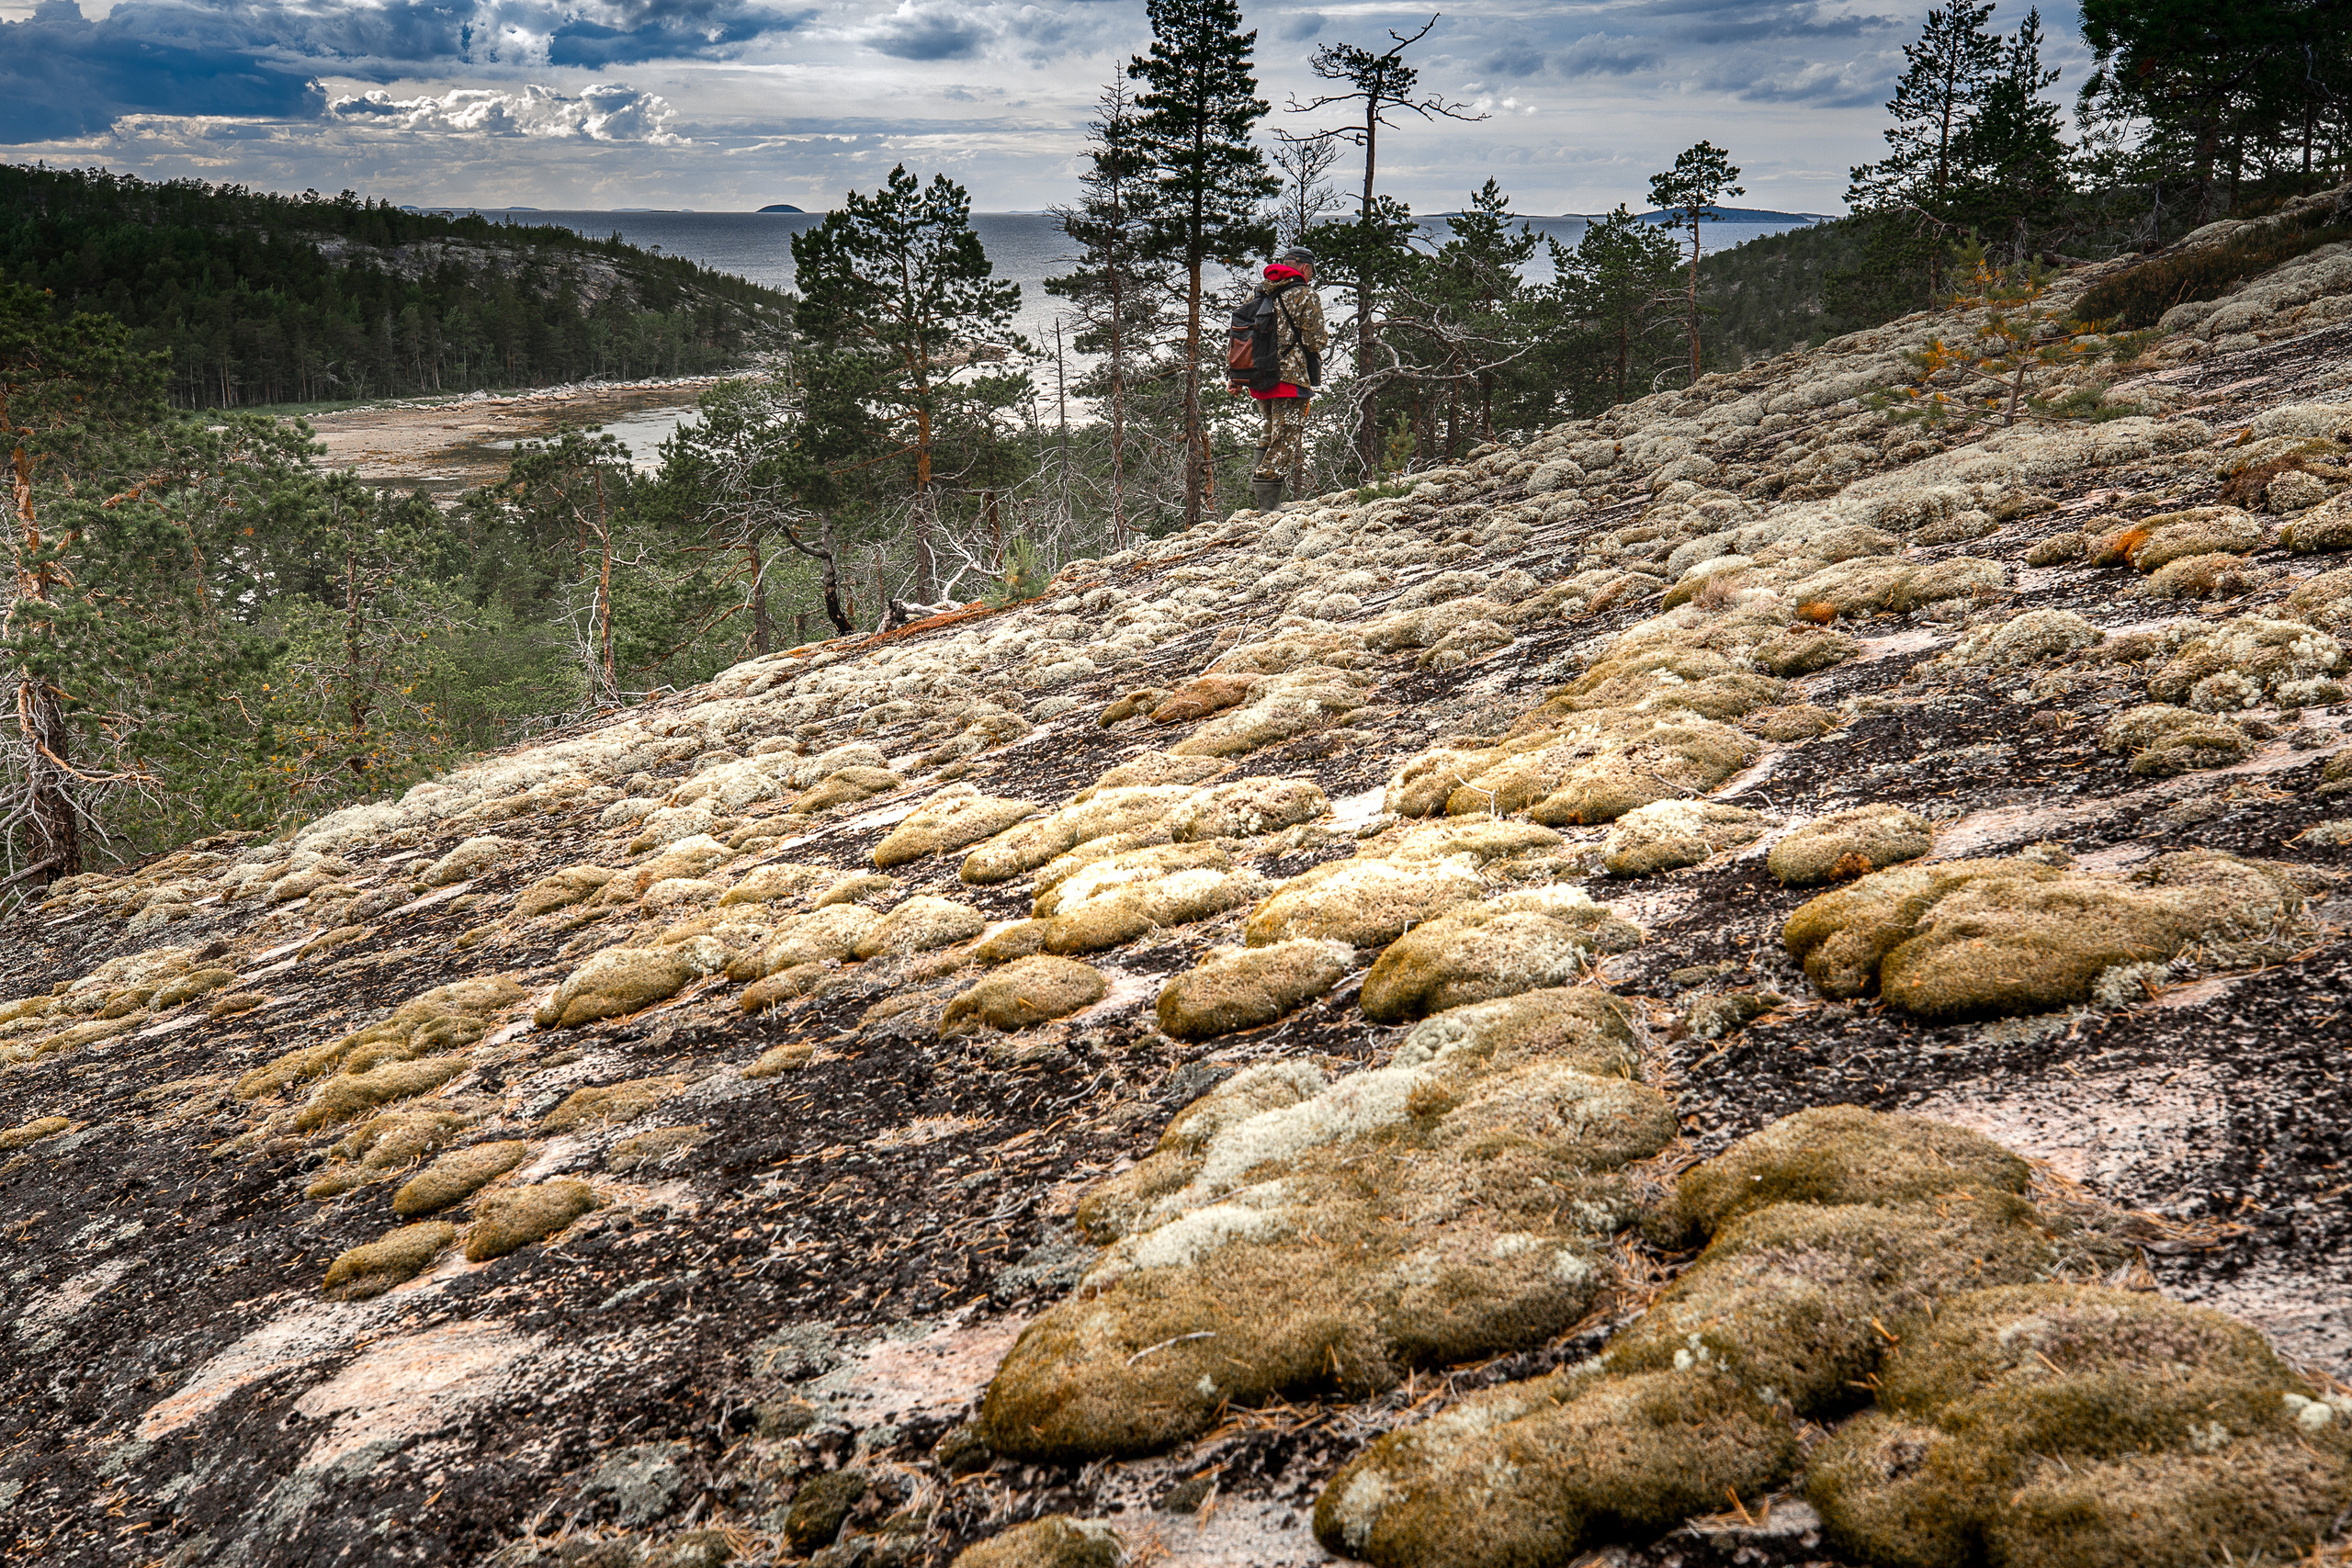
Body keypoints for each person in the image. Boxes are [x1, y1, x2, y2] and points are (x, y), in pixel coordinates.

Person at [1240, 246, 1328, 511]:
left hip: (1258, 376)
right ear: (1304, 267)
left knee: (1270, 431)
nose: (1312, 275)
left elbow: (1242, 336)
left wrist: (1235, 376)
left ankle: (1261, 498)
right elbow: (1316, 340)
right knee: (1286, 438)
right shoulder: (1305, 295)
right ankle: (1268, 506)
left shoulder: (1259, 292)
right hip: (1289, 380)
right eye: (1312, 270)